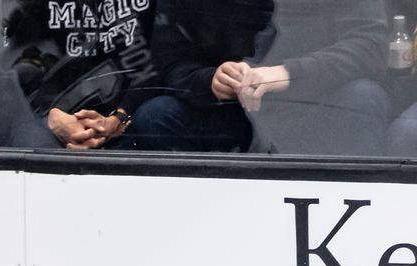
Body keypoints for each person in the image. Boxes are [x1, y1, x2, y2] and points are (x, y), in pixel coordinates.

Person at [0, 0, 159, 150]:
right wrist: (51, 118)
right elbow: (20, 67)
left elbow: (162, 64)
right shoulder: (34, 11)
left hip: (138, 134)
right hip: (47, 128)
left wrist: (119, 118)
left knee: (158, 113)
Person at [236, 0, 390, 156]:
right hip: (251, 117)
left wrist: (289, 73)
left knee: (361, 96)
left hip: (328, 112)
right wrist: (230, 73)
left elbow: (370, 47)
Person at [124, 0, 275, 151]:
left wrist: (279, 72)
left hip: (247, 115)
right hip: (192, 91)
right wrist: (211, 79)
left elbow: (253, 48)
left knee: (157, 115)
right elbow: (170, 63)